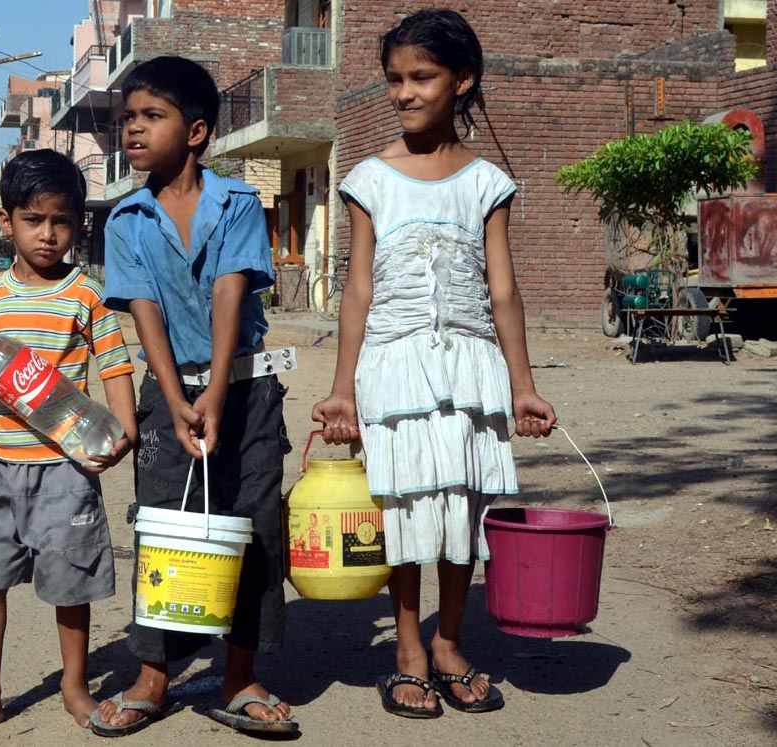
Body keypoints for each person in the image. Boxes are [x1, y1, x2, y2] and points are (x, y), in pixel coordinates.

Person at [312, 9, 557, 719]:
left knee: (460, 505)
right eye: (394, 79)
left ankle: (450, 641)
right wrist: (340, 392)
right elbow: (357, 290)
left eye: (421, 76)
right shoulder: (368, 179)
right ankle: (409, 651)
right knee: (404, 508)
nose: (404, 92)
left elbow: (502, 288)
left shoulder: (486, 183)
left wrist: (523, 385)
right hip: (392, 371)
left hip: (470, 368)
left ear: (462, 81)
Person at [89, 56, 297, 738]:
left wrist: (214, 391)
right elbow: (142, 309)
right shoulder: (125, 219)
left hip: (246, 388)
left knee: (254, 521)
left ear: (198, 130)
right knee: (164, 523)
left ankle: (239, 673)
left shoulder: (236, 203)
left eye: (152, 116)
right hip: (169, 391)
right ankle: (155, 673)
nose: (134, 131)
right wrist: (178, 398)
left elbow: (231, 292)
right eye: (127, 120)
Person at [0, 148, 138, 737]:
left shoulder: (85, 295)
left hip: (66, 466)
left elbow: (115, 366)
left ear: (78, 224)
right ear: (7, 221)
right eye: (34, 220)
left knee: (70, 582)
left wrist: (122, 433)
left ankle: (75, 687)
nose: (48, 235)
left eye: (62, 222)